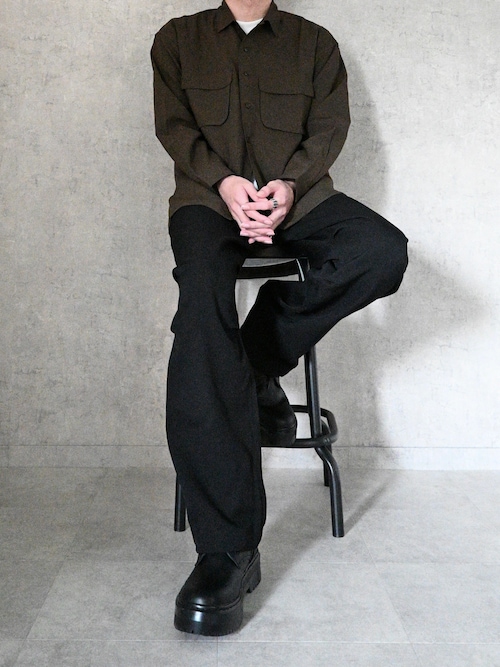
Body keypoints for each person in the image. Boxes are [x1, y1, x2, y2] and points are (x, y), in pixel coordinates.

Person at [151, 0, 408, 636]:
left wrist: (288, 187)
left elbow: (328, 129)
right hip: (208, 203)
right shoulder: (178, 39)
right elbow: (175, 128)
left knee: (379, 251)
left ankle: (254, 362)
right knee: (201, 317)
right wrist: (225, 184)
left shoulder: (314, 42)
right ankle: (227, 551)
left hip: (300, 201)